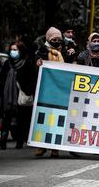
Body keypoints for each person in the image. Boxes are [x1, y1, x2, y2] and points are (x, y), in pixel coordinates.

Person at [0, 41, 36, 150]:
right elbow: (2, 80)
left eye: (15, 50)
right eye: (12, 49)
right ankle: (3, 140)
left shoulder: (27, 63)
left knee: (21, 120)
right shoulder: (7, 64)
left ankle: (20, 141)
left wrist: (28, 92)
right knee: (6, 118)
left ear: (21, 51)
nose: (13, 52)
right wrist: (2, 92)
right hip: (8, 97)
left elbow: (31, 80)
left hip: (21, 95)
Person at [34, 27, 65, 157]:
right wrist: (37, 63)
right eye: (54, 39)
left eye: (59, 39)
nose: (56, 41)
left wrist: (72, 55)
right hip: (46, 91)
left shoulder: (65, 51)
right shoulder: (40, 52)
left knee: (58, 118)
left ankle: (55, 148)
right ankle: (42, 146)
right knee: (43, 117)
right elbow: (35, 67)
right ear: (48, 38)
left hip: (60, 91)